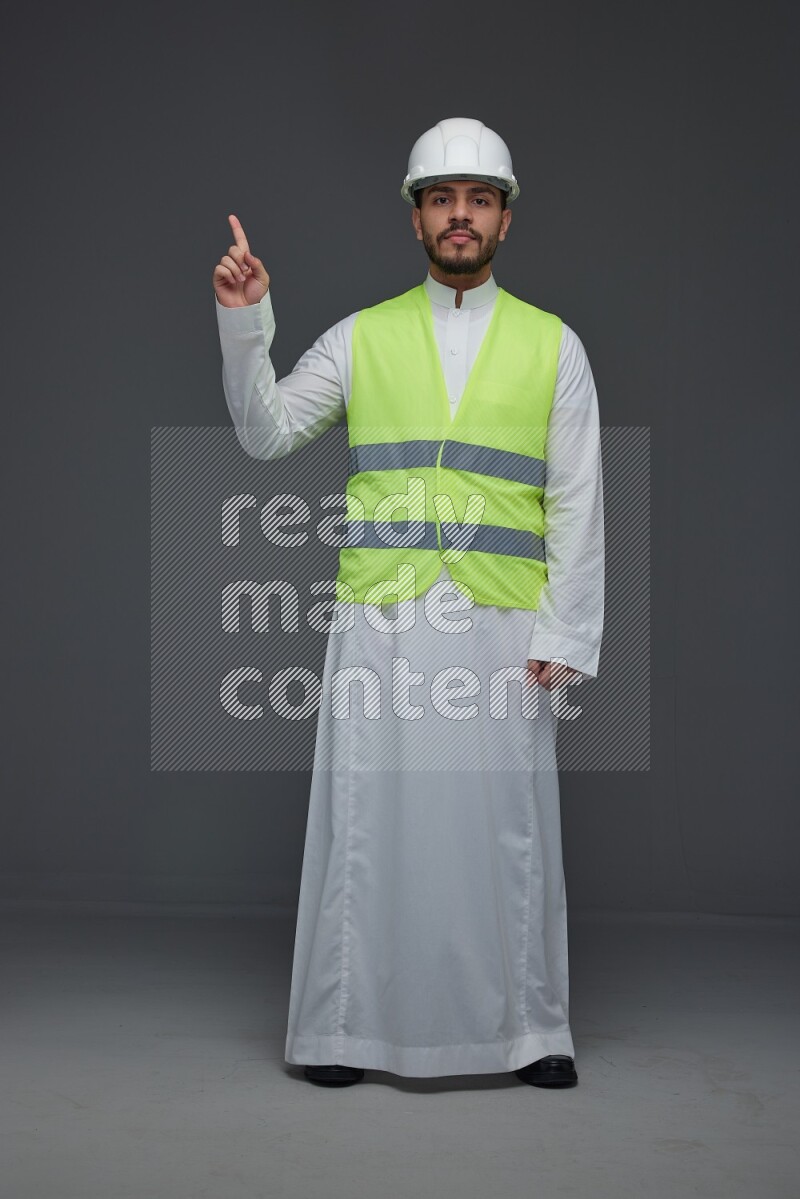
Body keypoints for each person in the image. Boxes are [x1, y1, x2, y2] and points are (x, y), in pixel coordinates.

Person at [213, 118, 604, 1089]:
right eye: (440, 198)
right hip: (381, 620)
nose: (458, 214)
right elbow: (264, 435)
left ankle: (530, 1030)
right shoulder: (361, 335)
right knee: (366, 819)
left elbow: (578, 498)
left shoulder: (555, 348)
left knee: (506, 825)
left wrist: (567, 631)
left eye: (477, 198)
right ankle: (344, 1028)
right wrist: (245, 321)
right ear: (417, 216)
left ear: (504, 218)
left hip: (506, 623)